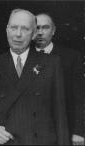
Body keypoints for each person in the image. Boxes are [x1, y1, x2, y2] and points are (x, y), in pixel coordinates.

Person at [0, 8, 69, 145]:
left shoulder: (51, 64)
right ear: (7, 30)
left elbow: (61, 116)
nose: (18, 34)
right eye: (14, 27)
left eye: (25, 29)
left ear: (34, 34)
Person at [34, 13, 85, 145]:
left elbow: (80, 97)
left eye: (45, 28)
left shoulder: (71, 57)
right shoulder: (22, 57)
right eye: (36, 27)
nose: (40, 32)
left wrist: (79, 131)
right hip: (30, 131)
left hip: (62, 129)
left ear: (53, 30)